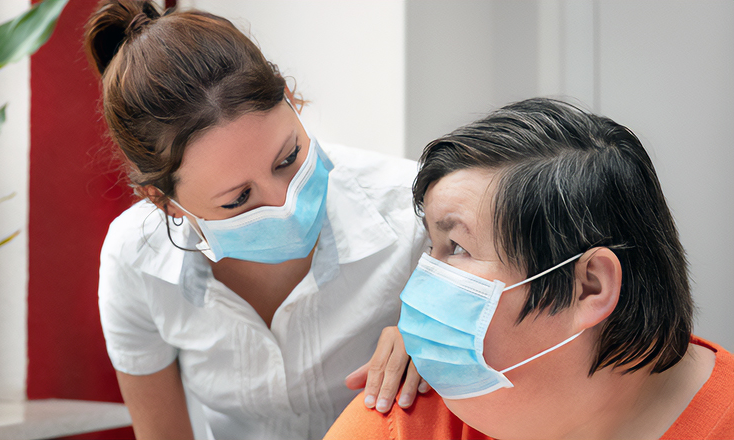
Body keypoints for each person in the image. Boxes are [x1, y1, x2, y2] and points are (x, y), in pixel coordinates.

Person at [83, 1, 430, 439]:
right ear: (163, 201)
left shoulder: (416, 209)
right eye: (239, 198)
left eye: (289, 158)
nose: (284, 201)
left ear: (292, 99)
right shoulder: (136, 259)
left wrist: (447, 340)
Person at [324, 97, 734, 440]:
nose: (420, 285)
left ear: (589, 286)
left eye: (458, 248)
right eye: (433, 247)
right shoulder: (412, 414)